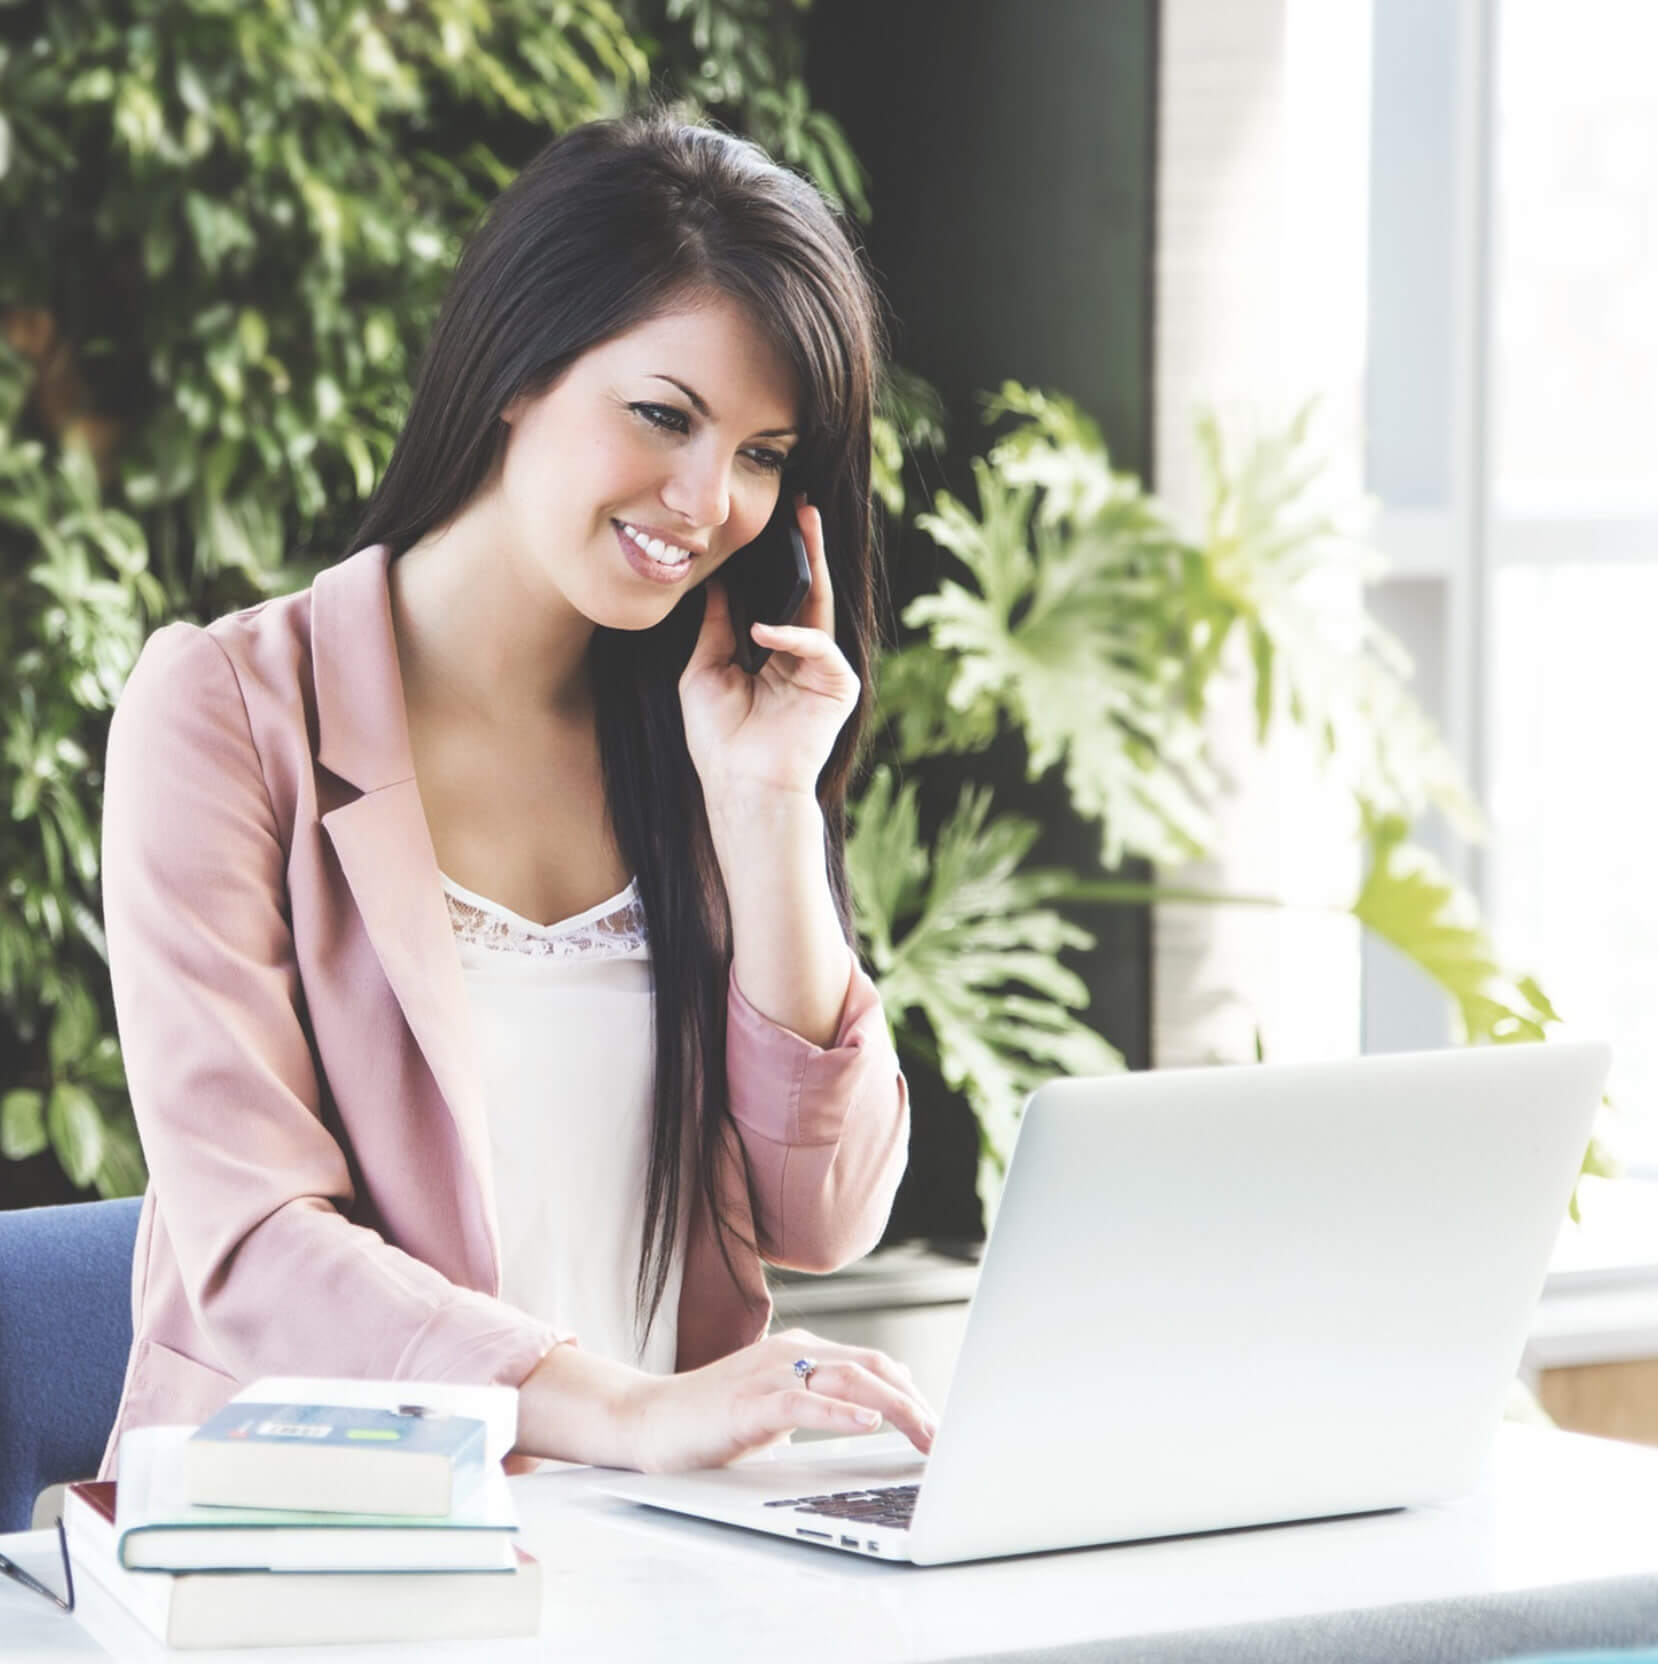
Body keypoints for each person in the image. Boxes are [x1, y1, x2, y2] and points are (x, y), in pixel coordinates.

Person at [96, 109, 936, 1479]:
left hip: (660, 1555)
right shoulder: (229, 711)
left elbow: (824, 1214)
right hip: (329, 1543)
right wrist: (616, 1408)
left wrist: (770, 813)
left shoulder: (704, 733)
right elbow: (250, 1243)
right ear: (513, 371)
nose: (707, 498)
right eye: (663, 415)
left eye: (765, 453)